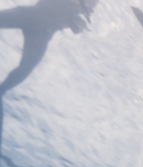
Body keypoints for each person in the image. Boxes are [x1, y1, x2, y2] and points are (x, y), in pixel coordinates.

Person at [0, 0, 97, 156]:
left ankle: (1, 91)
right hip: (32, 15)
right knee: (24, 70)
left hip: (44, 32)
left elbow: (78, 28)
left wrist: (80, 23)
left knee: (25, 70)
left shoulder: (92, 3)